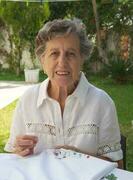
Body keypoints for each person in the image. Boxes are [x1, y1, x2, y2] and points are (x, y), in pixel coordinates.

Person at [4, 18, 123, 168]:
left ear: (82, 59)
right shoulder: (27, 100)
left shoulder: (102, 103)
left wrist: (76, 156)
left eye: (71, 54)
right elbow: (14, 160)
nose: (62, 62)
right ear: (42, 60)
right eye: (54, 53)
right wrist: (19, 150)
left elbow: (117, 165)